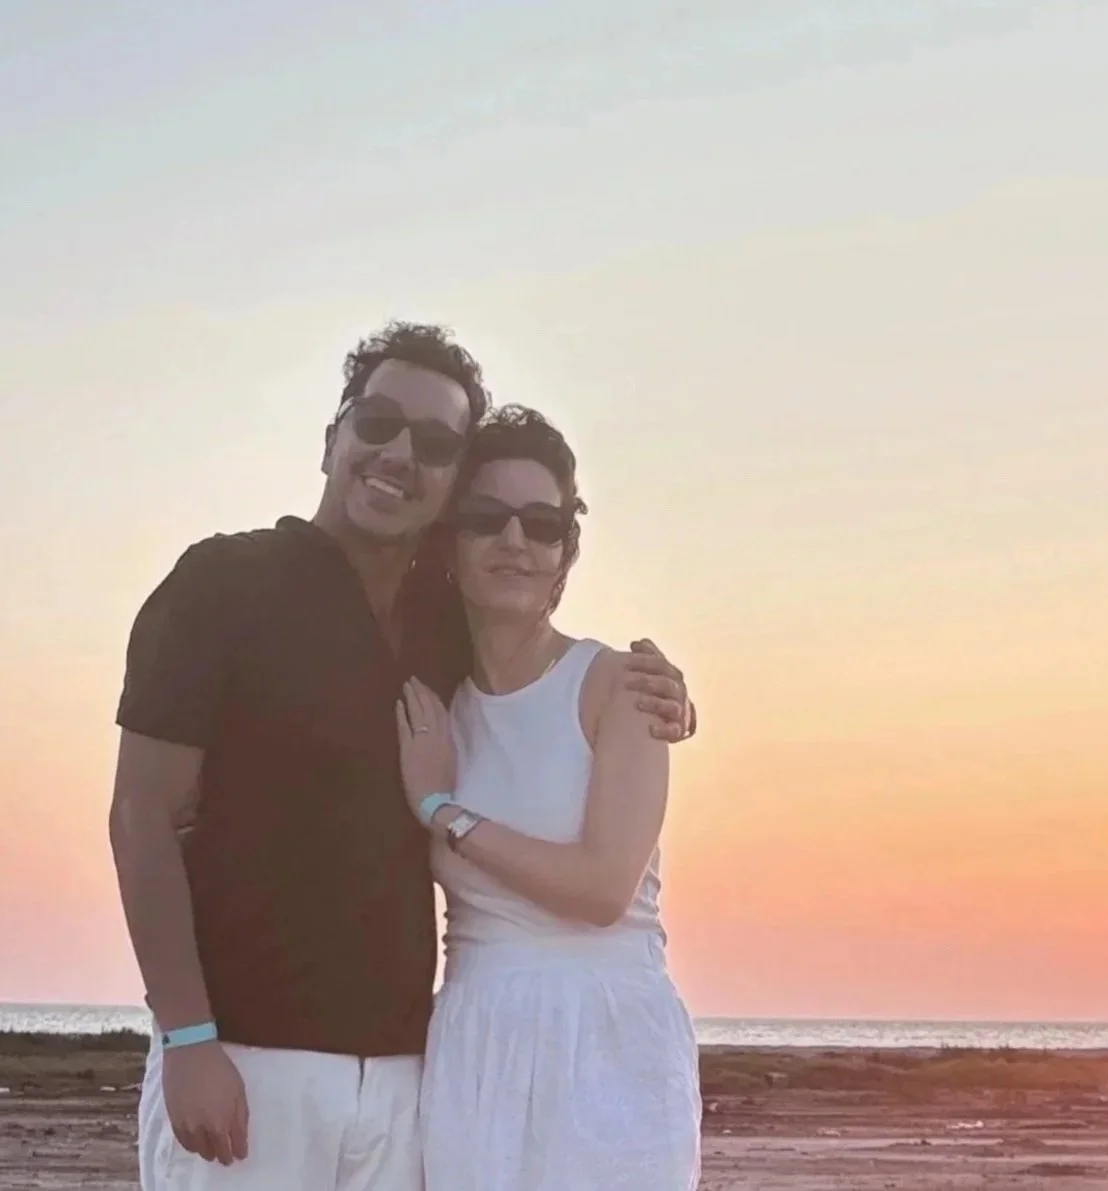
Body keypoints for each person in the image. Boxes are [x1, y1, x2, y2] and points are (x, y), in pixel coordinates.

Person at [108, 322, 697, 1191]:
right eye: (377, 422)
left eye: (434, 443)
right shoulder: (222, 583)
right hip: (246, 1061)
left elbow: (537, 686)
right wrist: (187, 1035)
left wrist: (661, 692)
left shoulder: (437, 629)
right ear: (332, 438)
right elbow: (140, 815)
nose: (397, 454)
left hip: (406, 1082)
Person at [394, 403, 700, 1190]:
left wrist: (443, 812)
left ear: (566, 550)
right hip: (475, 1040)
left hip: (607, 1038)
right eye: (487, 518)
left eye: (541, 524)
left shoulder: (619, 685)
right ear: (450, 540)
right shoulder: (431, 710)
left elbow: (601, 887)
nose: (514, 540)